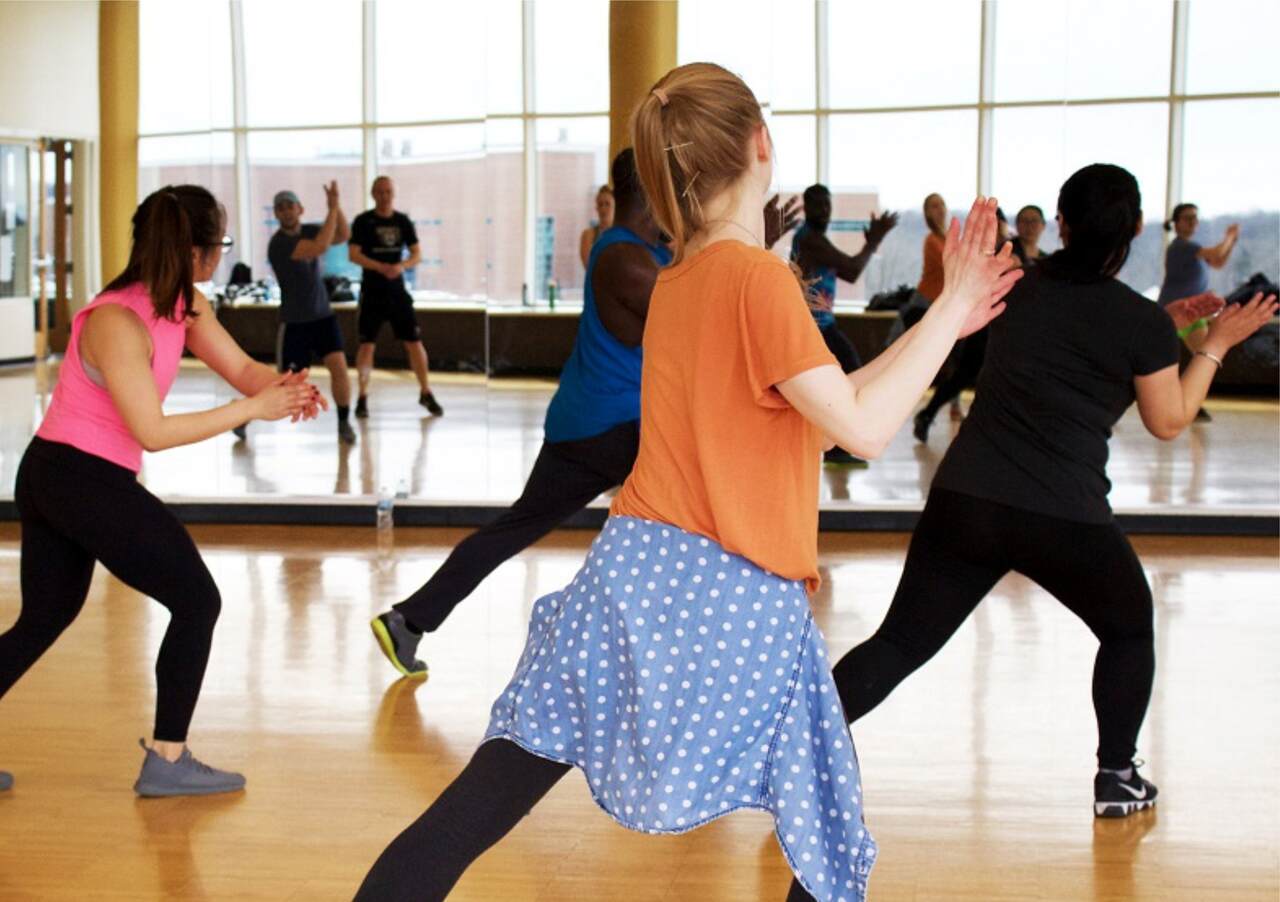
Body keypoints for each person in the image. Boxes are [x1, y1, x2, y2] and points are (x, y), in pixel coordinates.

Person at [355, 62, 1020, 902]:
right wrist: (948, 309)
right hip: (734, 589)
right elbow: (863, 431)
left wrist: (949, 316)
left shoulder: (686, 278)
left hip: (633, 572)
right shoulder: (756, 279)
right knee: (824, 826)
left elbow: (823, 416)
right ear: (761, 145)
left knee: (476, 807)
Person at [831, 164, 1278, 820]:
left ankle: (789, 748)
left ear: (1061, 224)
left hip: (967, 500)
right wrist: (1213, 344)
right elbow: (1169, 419)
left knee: (899, 643)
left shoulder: (1020, 286)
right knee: (1128, 628)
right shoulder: (1138, 322)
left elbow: (1069, 324)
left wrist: (1163, 324)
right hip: (1062, 515)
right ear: (1133, 232)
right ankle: (1117, 776)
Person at [370, 150, 801, 679]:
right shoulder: (625, 259)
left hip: (592, 423)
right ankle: (697, 654)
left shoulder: (643, 251)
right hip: (612, 428)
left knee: (531, 528)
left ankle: (408, 619)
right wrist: (754, 244)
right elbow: (703, 311)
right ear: (653, 191)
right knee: (704, 519)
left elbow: (698, 280)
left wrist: (749, 241)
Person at [0, 185, 325, 796]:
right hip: (74, 477)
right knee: (197, 600)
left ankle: (167, 759)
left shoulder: (186, 305)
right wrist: (252, 408)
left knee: (43, 618)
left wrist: (286, 387)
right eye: (219, 244)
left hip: (66, 474)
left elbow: (244, 370)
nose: (219, 256)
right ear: (194, 249)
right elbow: (151, 432)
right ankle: (167, 760)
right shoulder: (116, 321)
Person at [790, 184, 898, 466]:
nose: (823, 210)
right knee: (850, 373)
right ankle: (837, 445)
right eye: (817, 205)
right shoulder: (810, 239)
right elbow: (851, 270)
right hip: (816, 325)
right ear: (807, 207)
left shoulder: (814, 238)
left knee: (848, 374)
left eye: (827, 205)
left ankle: (835, 443)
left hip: (822, 323)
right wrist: (873, 242)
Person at [264, 183, 356, 444]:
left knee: (339, 368)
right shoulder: (278, 245)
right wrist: (332, 208)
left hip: (323, 318)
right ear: (276, 214)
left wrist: (336, 208)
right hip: (295, 324)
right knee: (283, 383)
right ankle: (245, 418)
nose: (286, 211)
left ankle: (343, 422)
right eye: (280, 208)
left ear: (300, 209)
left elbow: (342, 234)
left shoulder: (309, 230)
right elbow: (319, 247)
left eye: (290, 206)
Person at [911, 208, 1009, 442]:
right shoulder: (988, 254)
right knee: (965, 374)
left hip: (1008, 328)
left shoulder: (1029, 255)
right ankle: (927, 414)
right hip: (980, 325)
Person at [348, 176, 443, 418]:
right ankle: (362, 396)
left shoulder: (403, 221)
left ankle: (425, 391)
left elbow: (416, 253)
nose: (384, 195)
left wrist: (401, 266)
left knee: (414, 342)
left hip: (397, 292)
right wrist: (379, 266)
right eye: (379, 191)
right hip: (371, 292)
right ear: (373, 194)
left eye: (388, 191)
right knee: (367, 345)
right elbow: (354, 254)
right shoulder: (363, 221)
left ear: (393, 194)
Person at [1157, 203, 1238, 308]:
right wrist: (1230, 236)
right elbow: (1217, 253)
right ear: (1176, 223)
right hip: (1174, 310)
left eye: (1194, 218)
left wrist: (1231, 242)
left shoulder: (1194, 249)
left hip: (1186, 310)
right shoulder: (1180, 246)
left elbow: (1218, 262)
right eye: (1187, 218)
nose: (1192, 222)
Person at [578, 184, 615, 268]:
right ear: (596, 208)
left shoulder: (622, 234)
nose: (603, 209)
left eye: (607, 204)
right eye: (600, 204)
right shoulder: (588, 235)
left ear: (615, 206)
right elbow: (589, 267)